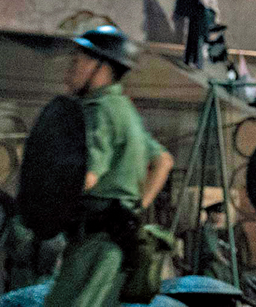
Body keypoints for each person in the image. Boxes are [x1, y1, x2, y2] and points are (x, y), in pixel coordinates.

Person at [43, 25, 175, 307]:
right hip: (117, 243)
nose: (70, 71)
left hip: (92, 245)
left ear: (100, 67)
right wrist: (133, 209)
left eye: (77, 62)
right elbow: (163, 161)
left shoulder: (98, 110)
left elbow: (85, 177)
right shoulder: (125, 111)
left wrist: (45, 201)